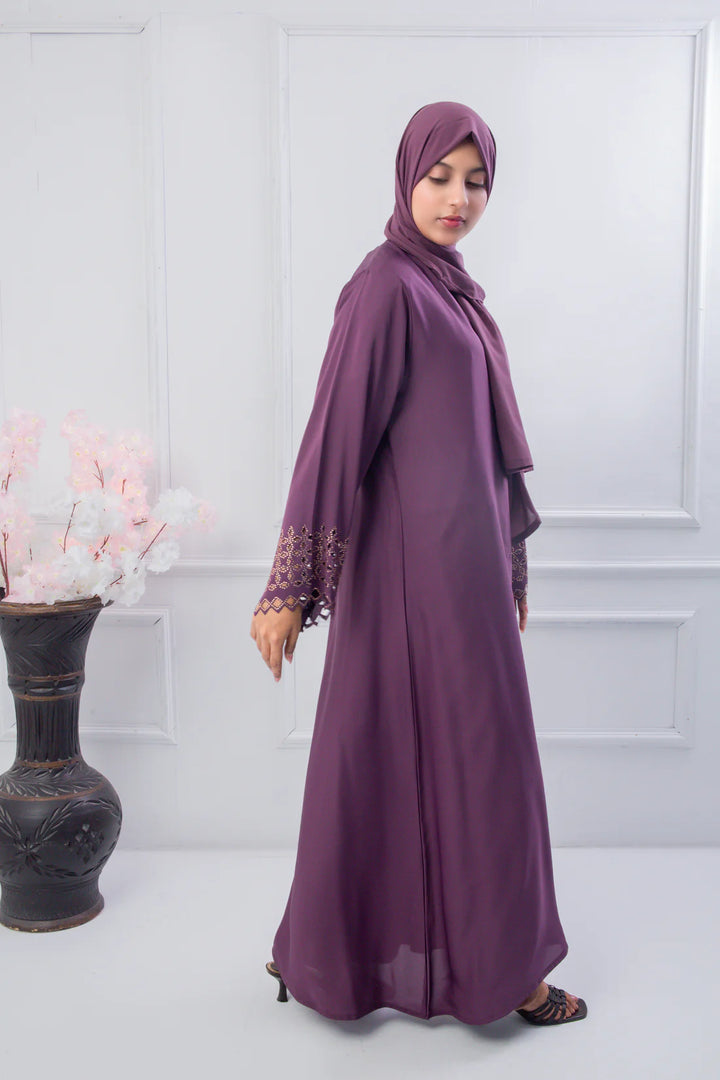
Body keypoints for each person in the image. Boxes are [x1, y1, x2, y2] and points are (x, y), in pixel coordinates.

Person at [250, 101, 587, 1027]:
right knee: (461, 764)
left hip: (464, 577)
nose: (457, 199)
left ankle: (323, 953)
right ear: (406, 177)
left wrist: (509, 565)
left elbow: (481, 450)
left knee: (423, 759)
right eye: (440, 177)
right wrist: (289, 587)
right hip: (412, 580)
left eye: (476, 182)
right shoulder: (387, 286)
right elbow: (336, 436)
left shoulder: (451, 288)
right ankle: (507, 977)